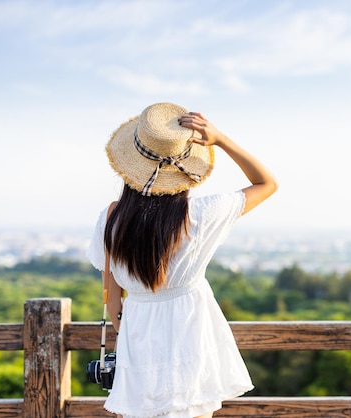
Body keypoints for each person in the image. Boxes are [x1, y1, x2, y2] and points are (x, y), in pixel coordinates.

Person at [86, 102, 278, 418]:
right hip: (192, 341)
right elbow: (267, 183)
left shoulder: (111, 218)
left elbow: (113, 301)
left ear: (131, 164)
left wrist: (136, 333)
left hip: (138, 342)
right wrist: (220, 139)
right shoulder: (201, 215)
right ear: (185, 168)